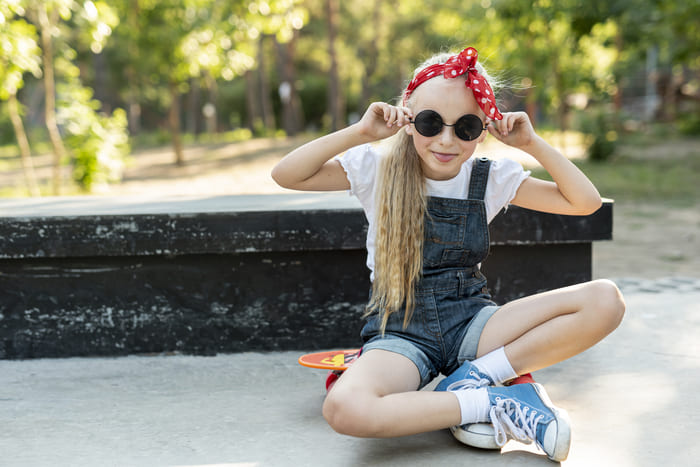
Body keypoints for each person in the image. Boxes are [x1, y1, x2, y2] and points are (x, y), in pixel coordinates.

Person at [271, 46, 625, 462]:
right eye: (429, 122)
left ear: (483, 130)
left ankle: (477, 377)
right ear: (406, 119)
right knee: (345, 408)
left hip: (473, 323)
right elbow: (286, 174)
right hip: (398, 331)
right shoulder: (376, 169)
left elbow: (584, 203)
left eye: (466, 127)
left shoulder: (490, 176)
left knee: (606, 300)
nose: (445, 139)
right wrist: (361, 132)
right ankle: (491, 403)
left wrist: (532, 143)